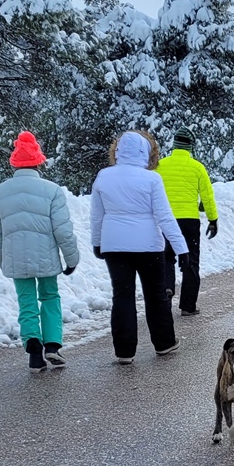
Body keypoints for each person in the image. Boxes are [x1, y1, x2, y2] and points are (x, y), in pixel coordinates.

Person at [90, 130, 189, 364]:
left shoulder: (104, 176)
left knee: (122, 296)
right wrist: (181, 248)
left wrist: (97, 242)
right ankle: (164, 343)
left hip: (114, 246)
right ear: (146, 152)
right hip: (148, 246)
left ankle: (124, 352)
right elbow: (165, 216)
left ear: (118, 151)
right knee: (155, 295)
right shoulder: (152, 179)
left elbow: (96, 216)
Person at [0, 131, 80, 373]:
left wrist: (1, 261)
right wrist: (71, 259)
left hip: (15, 258)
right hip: (46, 257)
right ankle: (52, 345)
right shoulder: (52, 191)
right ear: (39, 161)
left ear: (14, 163)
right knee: (49, 296)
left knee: (26, 301)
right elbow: (63, 231)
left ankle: (33, 350)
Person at [155, 126, 219, 317]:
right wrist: (213, 219)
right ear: (190, 147)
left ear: (174, 145)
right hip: (189, 221)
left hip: (165, 219)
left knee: (166, 257)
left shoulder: (160, 165)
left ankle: (167, 288)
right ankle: (188, 306)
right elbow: (207, 196)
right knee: (190, 261)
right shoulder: (197, 167)